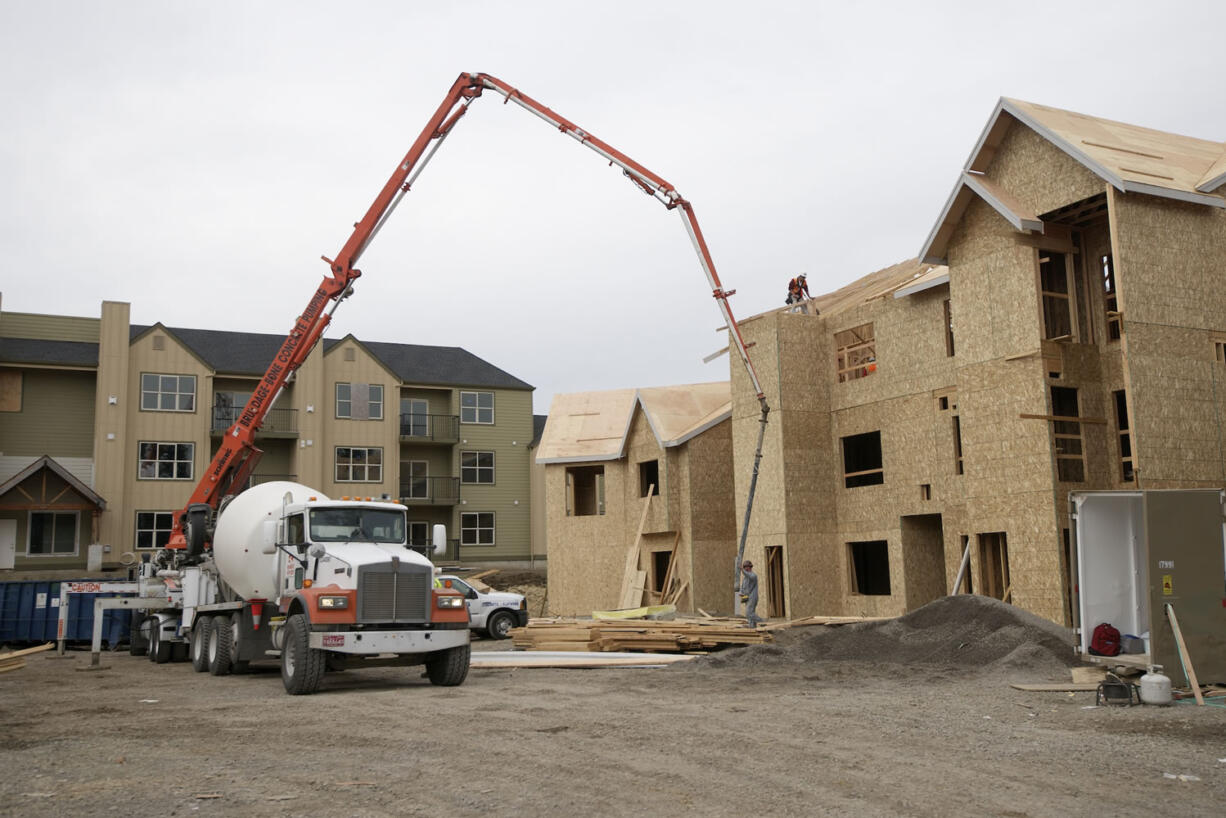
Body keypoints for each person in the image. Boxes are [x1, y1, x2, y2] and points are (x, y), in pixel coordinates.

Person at [737, 560, 762, 628]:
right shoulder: (745, 578)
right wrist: (741, 592)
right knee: (750, 613)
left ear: (750, 567)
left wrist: (741, 569)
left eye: (746, 567)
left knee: (749, 613)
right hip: (747, 597)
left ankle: (762, 622)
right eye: (744, 567)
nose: (745, 568)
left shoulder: (753, 575)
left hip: (752, 597)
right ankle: (752, 627)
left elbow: (749, 575)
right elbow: (743, 586)